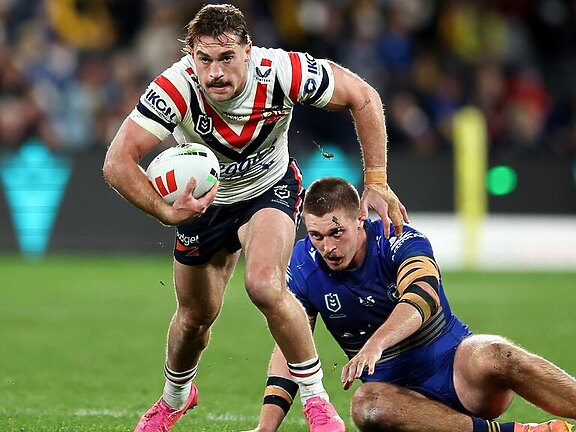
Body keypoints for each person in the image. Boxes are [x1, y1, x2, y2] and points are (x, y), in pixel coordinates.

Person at [102, 4, 409, 432]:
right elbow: (117, 163)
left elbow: (363, 96)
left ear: (248, 51)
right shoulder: (175, 87)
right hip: (205, 206)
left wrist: (376, 179)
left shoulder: (282, 71)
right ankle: (176, 396)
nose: (215, 73)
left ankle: (318, 402)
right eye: (204, 59)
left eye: (226, 57)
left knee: (264, 284)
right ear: (190, 56)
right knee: (194, 320)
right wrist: (166, 211)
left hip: (269, 190)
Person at [245, 177, 576, 432]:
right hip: (397, 397)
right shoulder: (303, 264)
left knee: (494, 352)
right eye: (317, 236)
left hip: (458, 374)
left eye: (336, 232)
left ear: (360, 217)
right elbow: (290, 345)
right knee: (366, 406)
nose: (327, 247)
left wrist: (376, 344)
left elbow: (423, 295)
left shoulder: (398, 238)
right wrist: (266, 426)